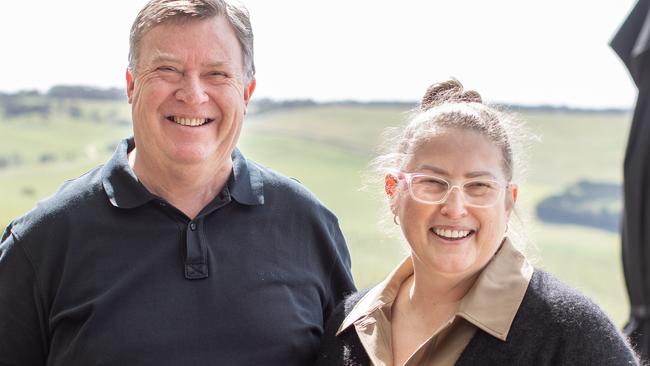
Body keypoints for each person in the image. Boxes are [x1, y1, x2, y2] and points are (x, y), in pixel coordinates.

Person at [0, 0, 355, 365]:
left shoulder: (309, 225)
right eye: (168, 69)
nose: (193, 94)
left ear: (246, 93)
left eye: (216, 74)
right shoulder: (40, 243)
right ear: (131, 85)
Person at [315, 79, 639, 365]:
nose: (454, 208)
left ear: (508, 202)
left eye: (479, 186)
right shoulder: (346, 326)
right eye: (432, 182)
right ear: (393, 193)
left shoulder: (570, 332)